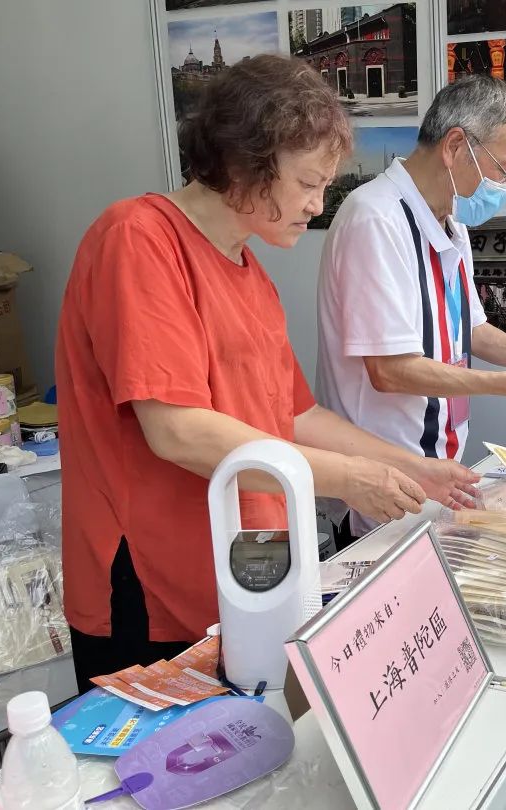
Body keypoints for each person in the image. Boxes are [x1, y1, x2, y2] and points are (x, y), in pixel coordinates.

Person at [56, 56, 478, 693]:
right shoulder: (139, 239)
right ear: (244, 165)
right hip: (149, 575)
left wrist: (410, 467)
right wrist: (348, 480)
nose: (318, 203)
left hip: (240, 567)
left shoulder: (251, 274)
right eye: (308, 183)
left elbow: (297, 414)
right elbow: (177, 431)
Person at [316, 75, 506, 535]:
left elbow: (472, 331)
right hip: (386, 476)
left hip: (440, 465)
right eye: (505, 169)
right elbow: (391, 370)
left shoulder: (451, 225)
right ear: (456, 146)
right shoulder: (375, 219)